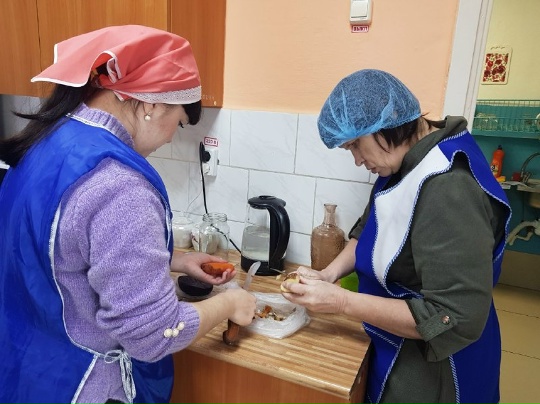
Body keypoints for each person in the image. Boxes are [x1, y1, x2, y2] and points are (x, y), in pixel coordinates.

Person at [0, 25, 256, 404]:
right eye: (179, 122)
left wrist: (175, 260)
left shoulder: (46, 142)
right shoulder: (120, 185)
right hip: (82, 387)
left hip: (26, 369)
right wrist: (230, 303)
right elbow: (154, 335)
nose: (171, 137)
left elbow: (57, 251)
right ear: (150, 105)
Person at [281, 69, 511, 404]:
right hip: (395, 343)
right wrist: (327, 275)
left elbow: (452, 317)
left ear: (387, 124)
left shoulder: (449, 186)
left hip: (439, 371)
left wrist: (342, 301)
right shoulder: (406, 160)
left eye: (355, 145)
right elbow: (369, 230)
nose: (357, 160)